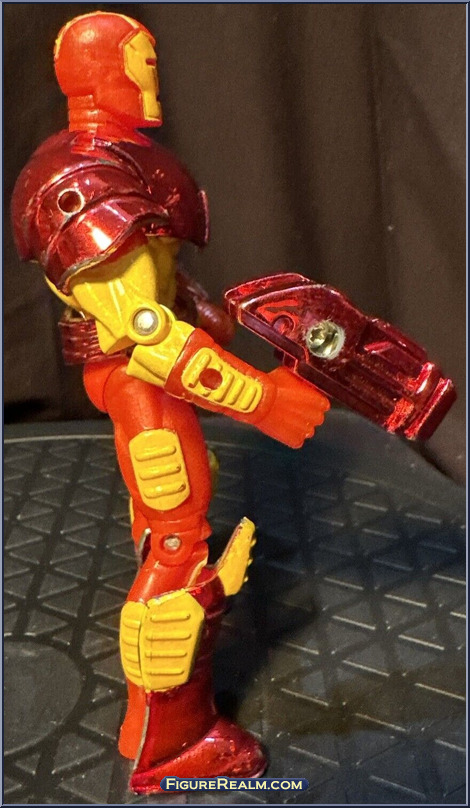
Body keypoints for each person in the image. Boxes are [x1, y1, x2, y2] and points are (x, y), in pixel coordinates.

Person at [11, 12, 329, 793]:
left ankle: (154, 723)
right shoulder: (85, 179)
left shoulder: (111, 161)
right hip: (141, 381)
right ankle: (171, 745)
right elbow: (144, 332)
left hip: (140, 380)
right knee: (181, 546)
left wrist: (207, 310)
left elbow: (159, 287)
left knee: (165, 525)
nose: (151, 78)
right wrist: (264, 400)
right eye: (138, 62)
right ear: (102, 72)